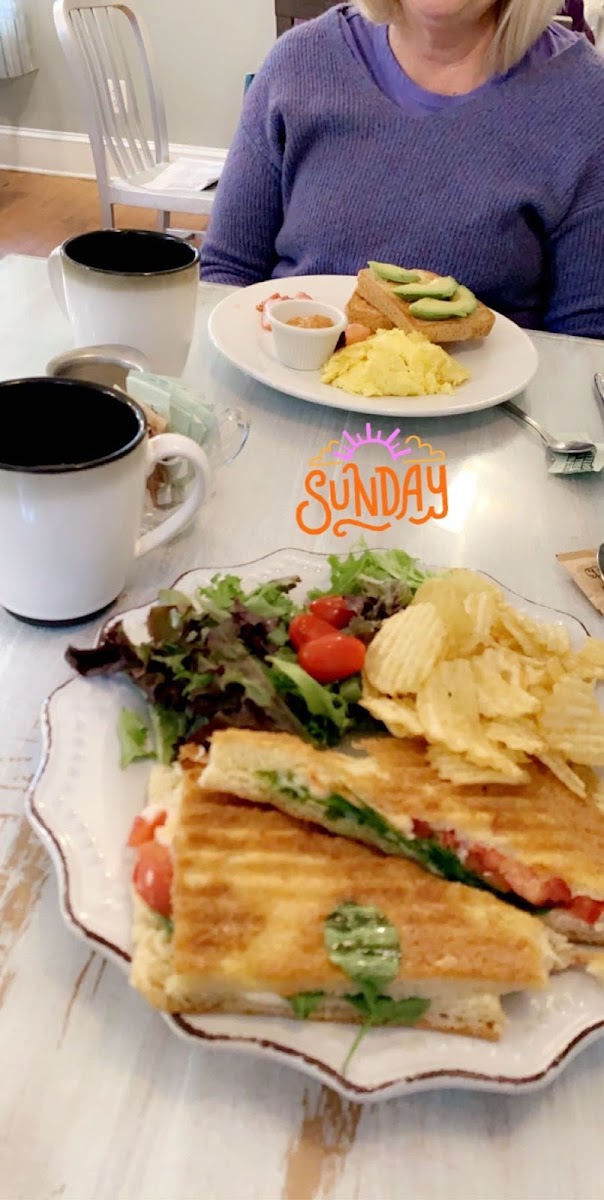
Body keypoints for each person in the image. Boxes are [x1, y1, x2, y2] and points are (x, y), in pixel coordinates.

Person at [201, 1, 604, 338]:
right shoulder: (297, 63)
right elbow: (226, 275)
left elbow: (584, 343)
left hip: (488, 426)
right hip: (287, 403)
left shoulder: (585, 98)